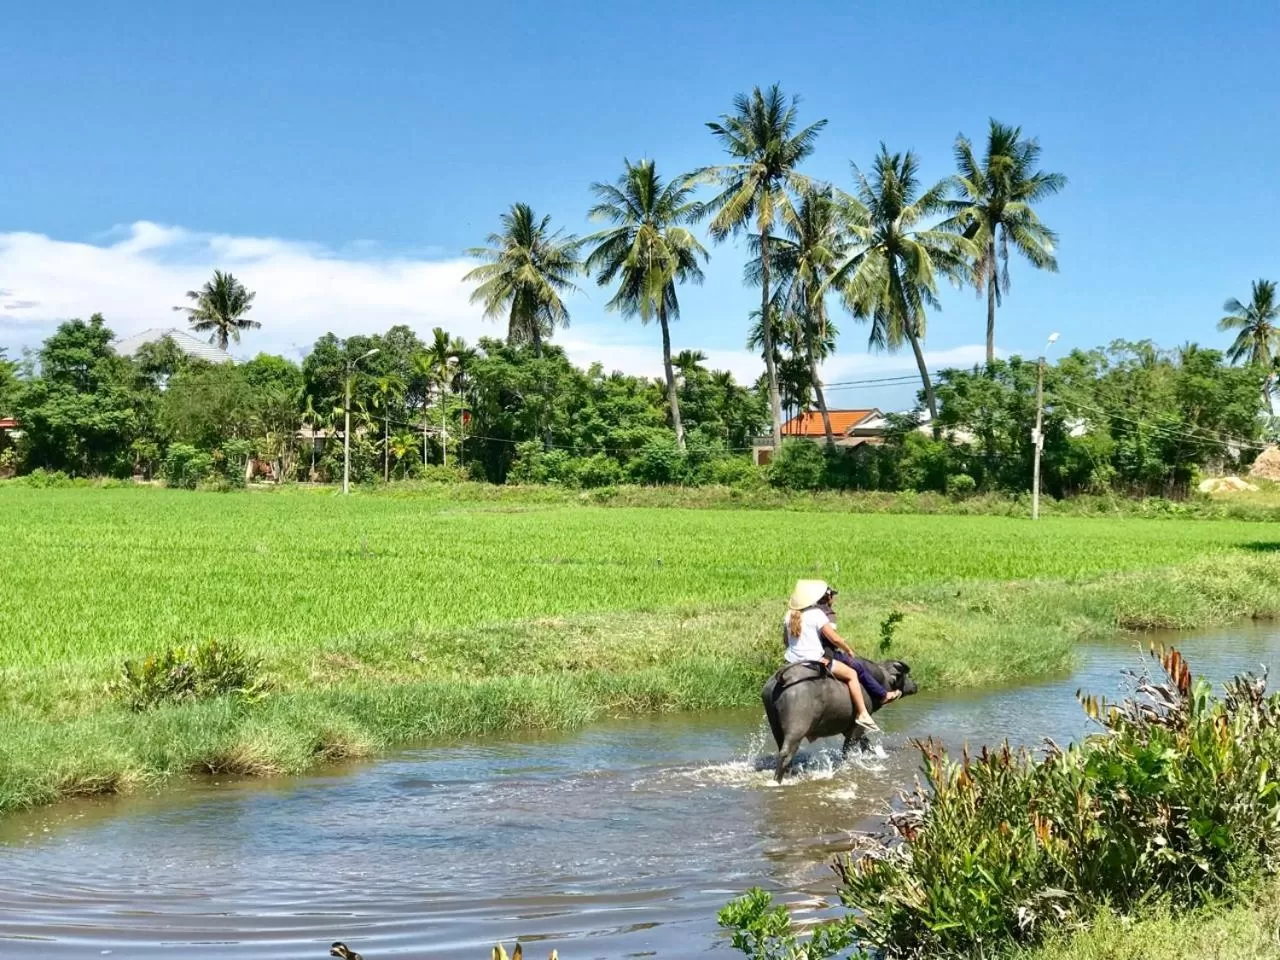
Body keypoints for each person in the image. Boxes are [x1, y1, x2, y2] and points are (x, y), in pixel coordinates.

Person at [783, 579, 879, 732]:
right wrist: (848, 649)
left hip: (791, 663)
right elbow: (833, 638)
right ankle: (862, 713)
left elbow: (786, 642)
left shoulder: (789, 615)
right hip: (813, 661)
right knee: (852, 674)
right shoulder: (816, 614)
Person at [818, 588, 902, 706]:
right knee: (857, 666)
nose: (834, 599)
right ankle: (882, 695)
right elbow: (832, 638)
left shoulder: (807, 611)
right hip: (826, 653)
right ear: (829, 597)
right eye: (833, 596)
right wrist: (847, 648)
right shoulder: (827, 613)